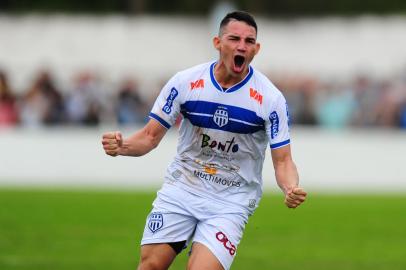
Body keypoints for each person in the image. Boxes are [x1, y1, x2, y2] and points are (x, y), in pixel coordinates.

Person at [102, 11, 307, 270]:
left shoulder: (270, 98)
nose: (242, 46)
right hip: (183, 187)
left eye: (249, 41)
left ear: (256, 49)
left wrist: (290, 187)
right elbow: (149, 137)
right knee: (150, 265)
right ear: (217, 43)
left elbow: (283, 160)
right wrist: (123, 147)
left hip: (231, 199)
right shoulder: (185, 82)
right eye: (234, 39)